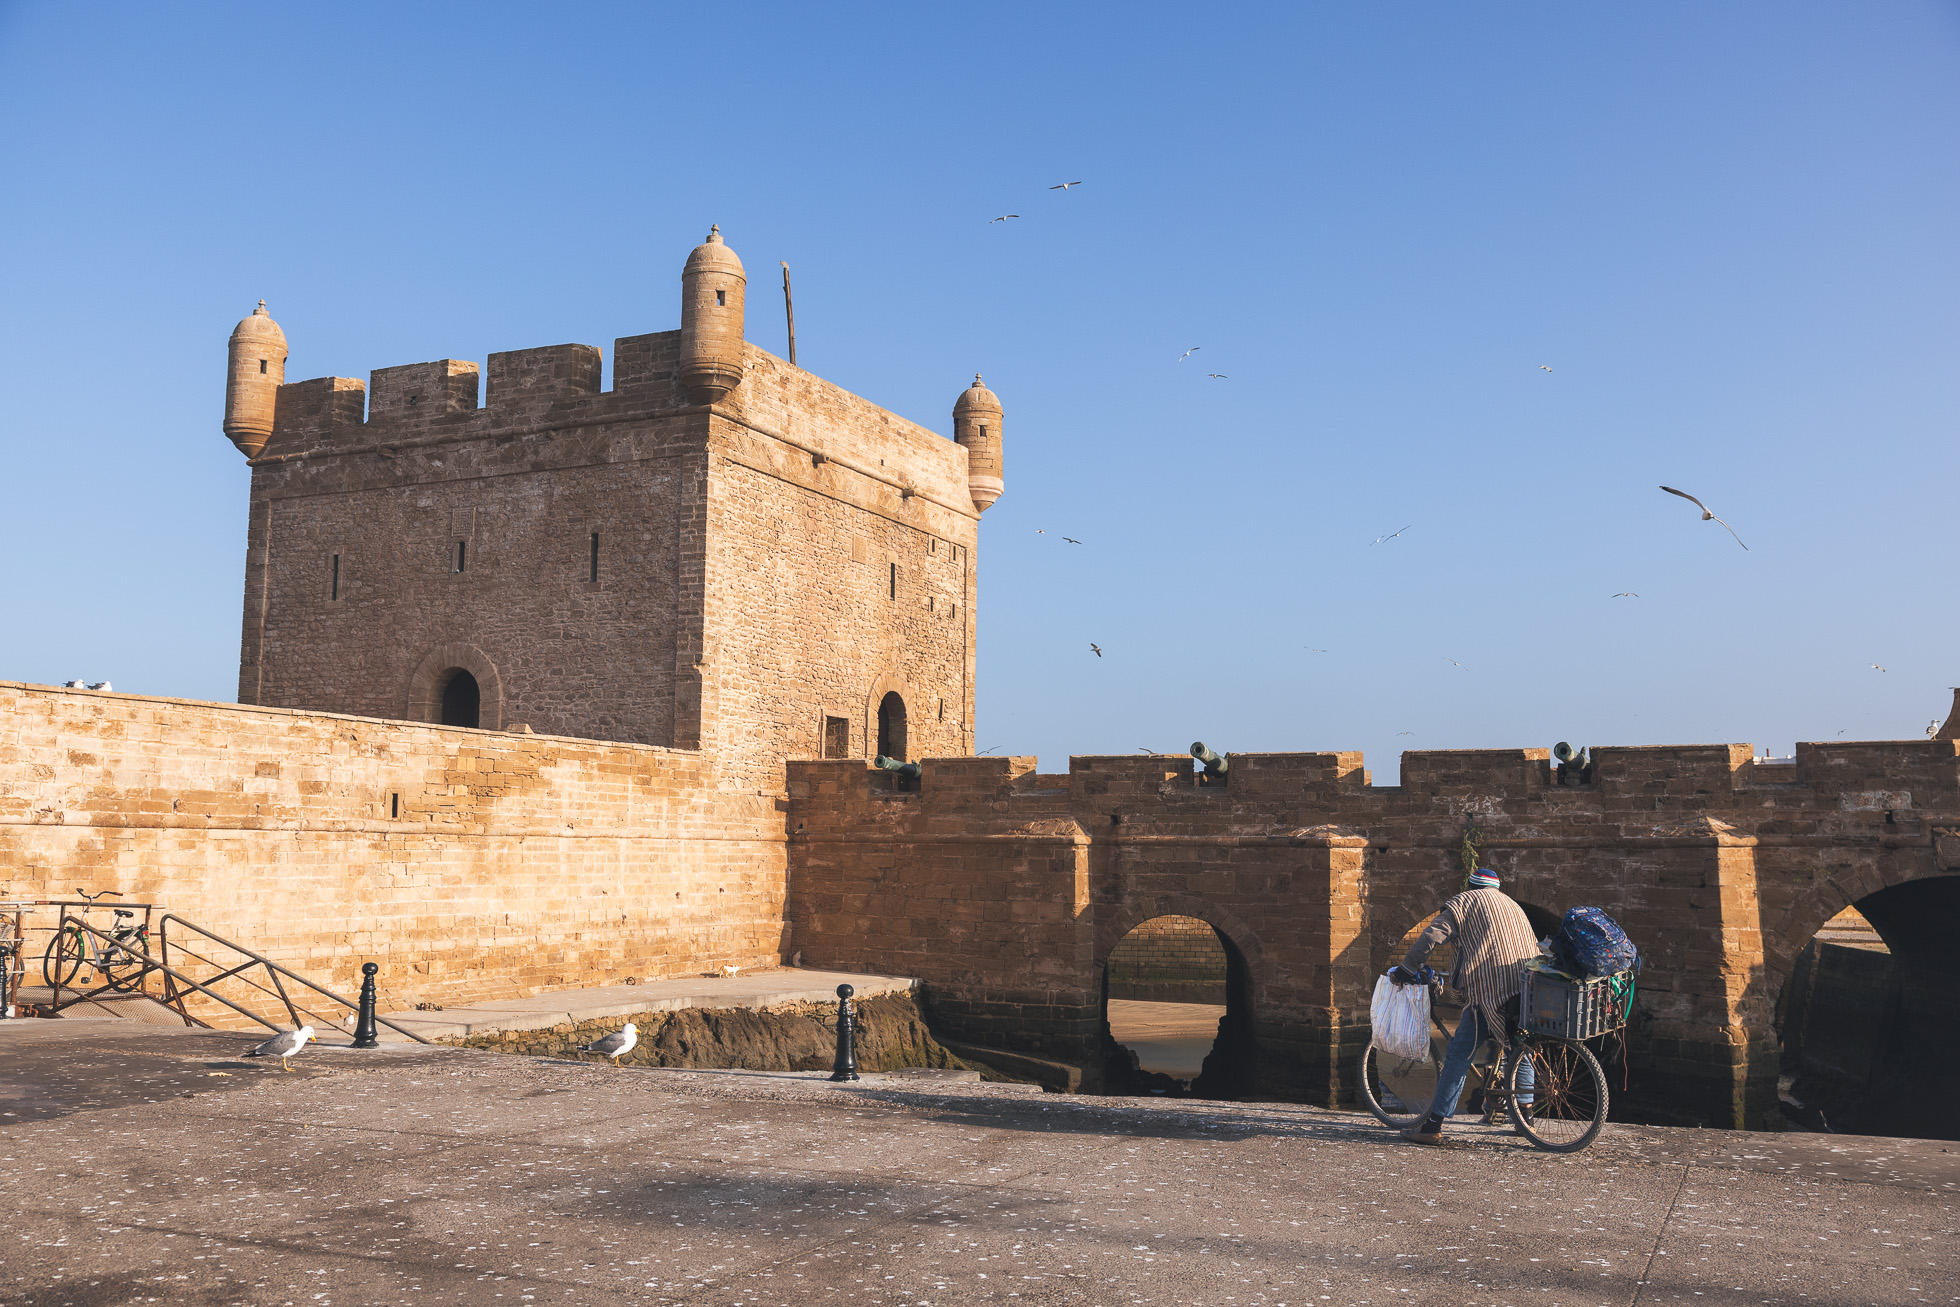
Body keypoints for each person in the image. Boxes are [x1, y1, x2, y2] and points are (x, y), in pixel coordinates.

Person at [1389, 867, 1539, 1144]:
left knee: (1459, 1054)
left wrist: (1408, 968)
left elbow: (1432, 936)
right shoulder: (1513, 905)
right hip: (1525, 987)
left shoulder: (1464, 902)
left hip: (1490, 989)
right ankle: (1526, 1116)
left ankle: (1433, 1125)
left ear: (1470, 885)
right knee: (1519, 1045)